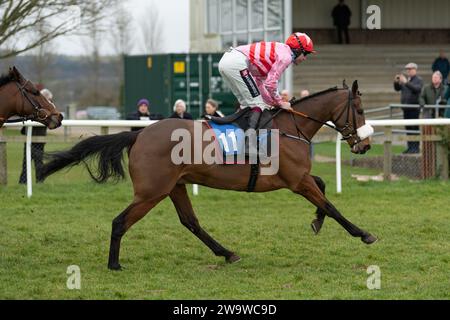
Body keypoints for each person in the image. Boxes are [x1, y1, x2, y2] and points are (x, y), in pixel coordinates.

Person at [218, 32, 315, 156]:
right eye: (305, 53)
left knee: (247, 104)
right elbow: (270, 83)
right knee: (257, 104)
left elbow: (259, 83)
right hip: (236, 63)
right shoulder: (286, 57)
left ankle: (238, 138)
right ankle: (248, 145)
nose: (305, 58)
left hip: (227, 61)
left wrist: (271, 102)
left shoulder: (279, 51)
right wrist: (280, 102)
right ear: (297, 50)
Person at [19, 87, 50, 184]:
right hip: (38, 139)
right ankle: (39, 181)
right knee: (37, 161)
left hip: (33, 138)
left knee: (28, 161)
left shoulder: (35, 109)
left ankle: (24, 182)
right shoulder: (46, 110)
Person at [394, 63, 423, 154]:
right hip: (406, 108)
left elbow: (417, 89)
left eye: (410, 69)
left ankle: (415, 147)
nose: (408, 71)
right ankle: (410, 147)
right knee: (408, 129)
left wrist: (406, 82)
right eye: (407, 69)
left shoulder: (418, 80)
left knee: (414, 129)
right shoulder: (407, 80)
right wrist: (396, 82)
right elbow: (398, 89)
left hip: (414, 109)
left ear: (415, 70)